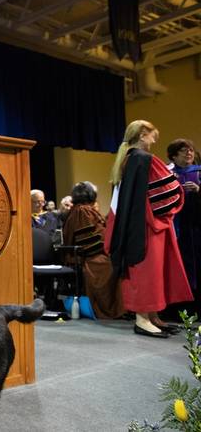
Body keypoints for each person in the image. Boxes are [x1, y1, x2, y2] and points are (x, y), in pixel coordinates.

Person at [105, 120, 192, 338]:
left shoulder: (126, 160)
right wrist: (178, 185)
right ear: (143, 134)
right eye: (153, 135)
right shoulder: (145, 159)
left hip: (135, 224)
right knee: (147, 270)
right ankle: (142, 319)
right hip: (147, 226)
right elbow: (169, 189)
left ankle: (152, 316)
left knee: (150, 270)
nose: (155, 140)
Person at [62, 181, 123, 319]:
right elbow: (90, 239)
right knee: (111, 264)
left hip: (89, 253)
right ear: (90, 195)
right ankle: (110, 309)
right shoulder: (83, 211)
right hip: (88, 256)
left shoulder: (80, 210)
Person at [167, 138, 201, 315]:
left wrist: (198, 190)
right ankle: (182, 310)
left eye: (191, 150)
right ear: (173, 156)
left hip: (197, 227)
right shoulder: (166, 174)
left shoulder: (199, 172)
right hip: (176, 228)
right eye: (183, 151)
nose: (189, 153)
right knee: (180, 269)